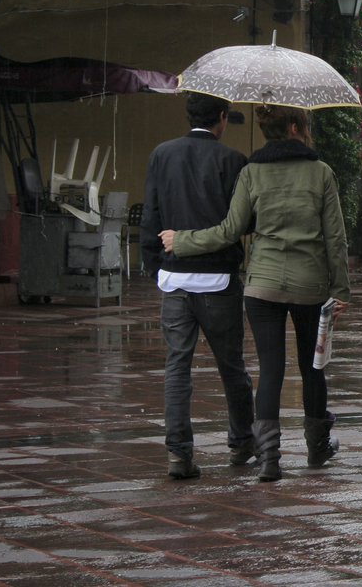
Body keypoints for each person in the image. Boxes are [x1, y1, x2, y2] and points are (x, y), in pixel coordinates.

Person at [160, 104, 350, 482]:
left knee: (271, 370)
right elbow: (336, 238)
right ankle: (316, 449)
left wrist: (181, 241)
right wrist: (340, 289)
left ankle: (269, 460)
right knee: (313, 370)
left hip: (262, 286)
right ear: (296, 127)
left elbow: (231, 230)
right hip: (311, 286)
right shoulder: (321, 172)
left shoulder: (251, 172)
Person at [140, 93, 255, 480]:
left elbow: (151, 215)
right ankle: (241, 444)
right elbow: (244, 223)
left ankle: (178, 454)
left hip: (174, 279)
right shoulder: (234, 160)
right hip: (219, 280)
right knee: (232, 366)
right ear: (221, 117)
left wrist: (156, 267)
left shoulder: (162, 154)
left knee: (177, 367)